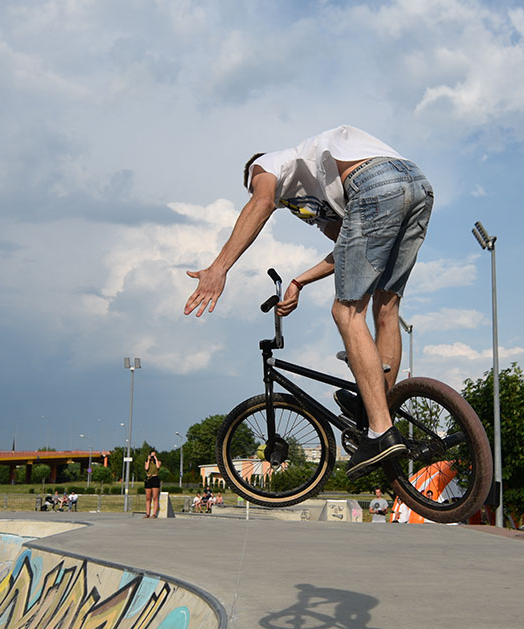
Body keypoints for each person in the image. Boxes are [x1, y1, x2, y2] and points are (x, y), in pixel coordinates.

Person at [185, 125, 433, 480]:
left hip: (373, 182)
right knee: (386, 308)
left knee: (346, 312)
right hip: (417, 185)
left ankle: (380, 431)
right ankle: (379, 412)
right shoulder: (317, 201)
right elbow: (344, 251)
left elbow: (261, 202)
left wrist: (218, 268)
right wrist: (299, 280)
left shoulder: (266, 165)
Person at [144, 452, 162, 518]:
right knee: (148, 498)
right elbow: (146, 468)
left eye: (153, 455)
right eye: (151, 455)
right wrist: (148, 460)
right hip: (148, 479)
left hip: (155, 478)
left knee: (155, 497)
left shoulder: (158, 462)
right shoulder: (147, 462)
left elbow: (158, 466)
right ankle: (147, 513)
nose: (152, 457)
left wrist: (155, 459)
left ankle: (154, 514)